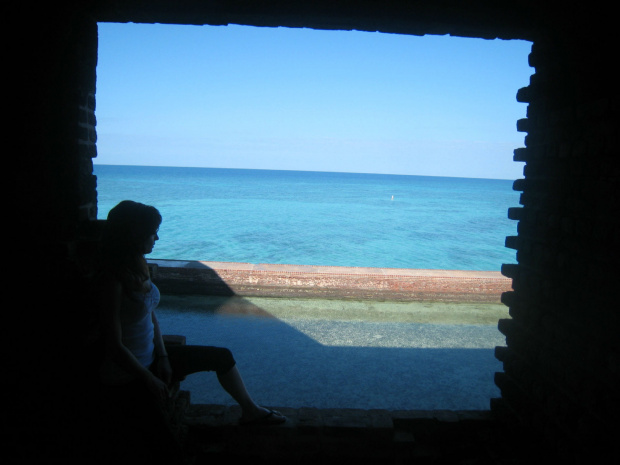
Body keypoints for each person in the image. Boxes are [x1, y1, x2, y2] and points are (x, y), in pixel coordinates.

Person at [97, 200, 285, 427]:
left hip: (152, 360)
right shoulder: (111, 281)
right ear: (134, 235)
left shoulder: (138, 266)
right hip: (127, 374)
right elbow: (113, 346)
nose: (156, 238)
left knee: (222, 357)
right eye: (152, 233)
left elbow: (150, 316)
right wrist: (148, 379)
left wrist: (164, 357)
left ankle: (250, 411)